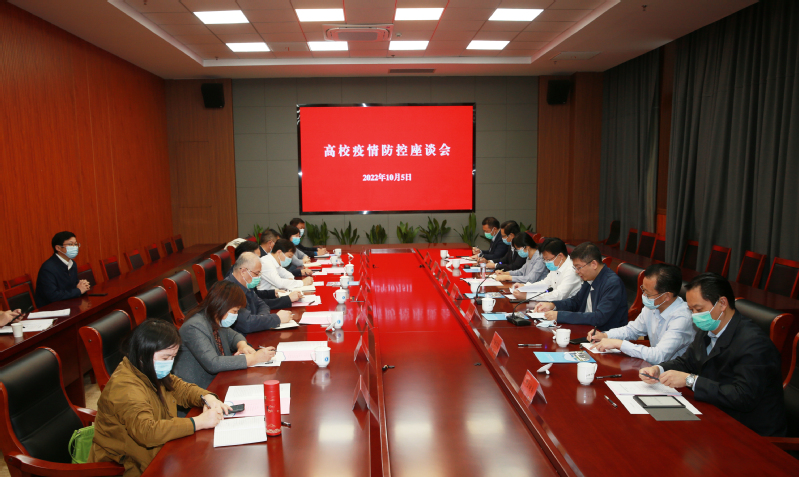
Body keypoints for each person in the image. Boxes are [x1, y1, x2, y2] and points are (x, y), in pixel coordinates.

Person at [639, 273, 786, 436]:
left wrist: (690, 380)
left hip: (749, 433)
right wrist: (658, 369)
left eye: (699, 309)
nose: (694, 316)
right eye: (691, 310)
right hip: (715, 414)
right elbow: (687, 362)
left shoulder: (754, 344)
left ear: (722, 303)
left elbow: (743, 397)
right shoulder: (708, 329)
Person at [88, 319, 230, 477]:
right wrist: (198, 422)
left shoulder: (148, 368)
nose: (170, 363)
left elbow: (180, 388)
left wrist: (208, 397)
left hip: (158, 449)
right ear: (143, 354)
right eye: (165, 358)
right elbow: (147, 432)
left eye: (173, 357)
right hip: (125, 464)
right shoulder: (125, 387)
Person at [174, 281, 276, 389]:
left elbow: (234, 336)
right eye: (234, 311)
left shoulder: (215, 318)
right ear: (221, 305)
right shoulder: (194, 327)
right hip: (199, 389)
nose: (236, 315)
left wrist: (242, 345)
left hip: (220, 380)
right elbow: (213, 363)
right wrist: (253, 358)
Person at [588, 264, 694, 363]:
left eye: (648, 294)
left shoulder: (682, 319)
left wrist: (619, 344)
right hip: (653, 367)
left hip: (675, 372)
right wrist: (605, 335)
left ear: (666, 296)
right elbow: (632, 330)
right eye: (643, 290)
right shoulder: (653, 306)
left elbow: (659, 356)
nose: (644, 296)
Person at [534, 242, 627, 331]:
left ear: (594, 264)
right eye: (575, 268)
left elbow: (599, 317)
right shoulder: (590, 278)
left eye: (579, 267)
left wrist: (559, 316)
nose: (577, 271)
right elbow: (576, 302)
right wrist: (553, 305)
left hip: (603, 335)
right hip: (585, 328)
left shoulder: (612, 283)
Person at [225, 252, 293, 333]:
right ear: (243, 271)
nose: (258, 277)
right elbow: (247, 323)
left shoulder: (246, 284)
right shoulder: (228, 291)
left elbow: (262, 304)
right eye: (256, 273)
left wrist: (260, 319)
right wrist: (276, 319)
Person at [511, 238, 581, 302]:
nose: (546, 262)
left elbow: (559, 295)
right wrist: (524, 287)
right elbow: (545, 283)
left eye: (548, 259)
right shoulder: (557, 265)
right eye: (545, 260)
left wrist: (527, 296)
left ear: (560, 256)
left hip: (567, 308)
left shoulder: (572, 270)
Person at [235, 241, 298, 308]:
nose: (260, 260)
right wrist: (286, 300)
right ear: (244, 258)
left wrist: (273, 293)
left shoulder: (247, 276)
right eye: (257, 257)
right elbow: (254, 306)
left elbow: (256, 296)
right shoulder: (234, 287)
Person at [35, 231, 91, 307]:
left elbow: (71, 286)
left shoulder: (72, 264)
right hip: (52, 309)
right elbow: (53, 295)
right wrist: (78, 290)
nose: (74, 247)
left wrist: (82, 285)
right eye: (70, 244)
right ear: (58, 248)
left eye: (75, 244)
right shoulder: (48, 268)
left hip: (69, 304)